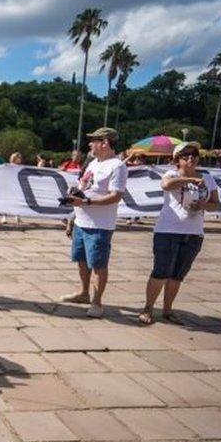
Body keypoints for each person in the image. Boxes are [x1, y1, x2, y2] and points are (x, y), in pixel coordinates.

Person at [138, 142, 219, 325]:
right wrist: (189, 180)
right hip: (168, 231)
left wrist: (204, 205)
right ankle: (148, 308)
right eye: (185, 155)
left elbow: (216, 202)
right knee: (160, 272)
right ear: (177, 160)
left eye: (194, 154)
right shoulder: (172, 174)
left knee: (177, 275)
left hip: (193, 233)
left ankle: (168, 310)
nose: (190, 158)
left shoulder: (207, 177)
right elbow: (166, 185)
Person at [60, 127, 128, 318]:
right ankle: (84, 293)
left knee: (98, 264)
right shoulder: (92, 163)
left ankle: (97, 302)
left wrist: (87, 202)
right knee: (81, 260)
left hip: (99, 225)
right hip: (81, 221)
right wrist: (75, 194)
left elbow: (116, 196)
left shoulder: (117, 166)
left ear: (105, 143)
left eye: (94, 140)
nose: (90, 144)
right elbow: (85, 186)